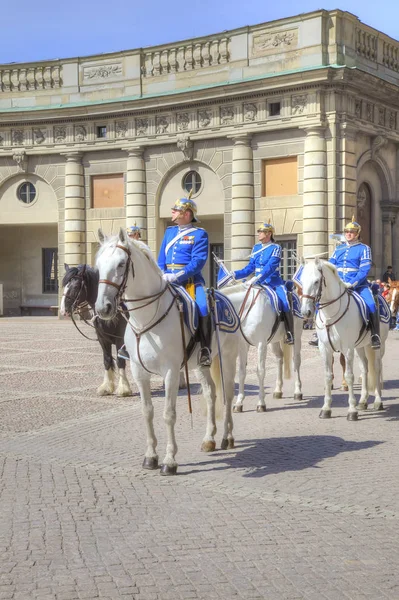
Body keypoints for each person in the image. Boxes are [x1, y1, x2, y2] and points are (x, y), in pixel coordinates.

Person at [309, 217, 381, 349]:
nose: (348, 234)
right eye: (347, 231)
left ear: (357, 234)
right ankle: (317, 332)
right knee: (320, 302)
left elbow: (364, 269)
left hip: (358, 285)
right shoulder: (339, 249)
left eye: (352, 232)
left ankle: (375, 335)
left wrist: (353, 283)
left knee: (370, 304)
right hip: (338, 284)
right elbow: (330, 266)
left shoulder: (364, 248)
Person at [158, 196, 212, 367]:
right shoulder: (169, 232)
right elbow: (161, 259)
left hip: (189, 282)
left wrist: (177, 275)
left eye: (176, 209)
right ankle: (128, 344)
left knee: (203, 307)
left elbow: (198, 262)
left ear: (187, 214)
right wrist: (162, 274)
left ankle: (205, 348)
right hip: (166, 280)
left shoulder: (199, 234)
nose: (172, 212)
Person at [232, 222, 294, 345]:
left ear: (268, 234)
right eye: (258, 231)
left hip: (273, 282)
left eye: (261, 231)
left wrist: (258, 278)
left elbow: (271, 267)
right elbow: (249, 268)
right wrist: (234, 274)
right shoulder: (256, 248)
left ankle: (289, 332)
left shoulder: (275, 248)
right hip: (256, 281)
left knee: (285, 302)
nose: (258, 234)